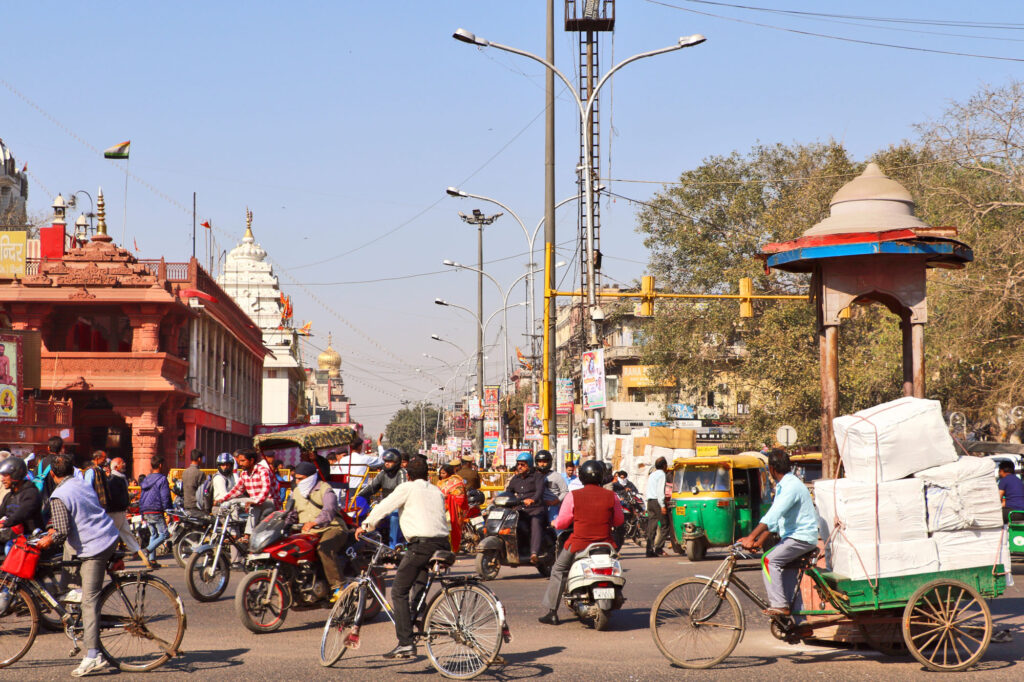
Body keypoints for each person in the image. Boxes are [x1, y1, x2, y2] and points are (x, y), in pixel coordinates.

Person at [34, 454, 121, 677]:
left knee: (89, 600)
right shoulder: (81, 482)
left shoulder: (58, 495)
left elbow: (62, 532)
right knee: (70, 578)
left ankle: (93, 655)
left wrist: (47, 540)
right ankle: (79, 618)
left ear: (52, 475)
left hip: (95, 546)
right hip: (107, 535)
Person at [355, 456, 450, 660]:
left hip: (421, 545)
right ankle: (417, 619)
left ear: (408, 475)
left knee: (398, 591)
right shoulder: (436, 490)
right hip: (442, 544)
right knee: (418, 582)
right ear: (428, 475)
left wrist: (365, 526)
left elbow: (384, 507)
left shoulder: (407, 488)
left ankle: (405, 643)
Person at [539, 459, 624, 625]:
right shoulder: (611, 496)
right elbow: (619, 520)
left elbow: (563, 523)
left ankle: (552, 612)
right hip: (605, 545)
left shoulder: (573, 496)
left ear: (582, 477)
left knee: (558, 569)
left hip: (579, 544)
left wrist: (555, 523)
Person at [739, 449, 819, 619]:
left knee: (769, 560)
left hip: (801, 538)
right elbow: (776, 521)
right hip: (794, 537)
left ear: (772, 468)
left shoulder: (791, 487)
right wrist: (759, 542)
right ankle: (800, 623)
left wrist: (751, 537)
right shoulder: (786, 486)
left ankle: (779, 605)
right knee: (788, 576)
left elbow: (773, 515)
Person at [291, 461, 349, 599]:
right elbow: (291, 513)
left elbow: (329, 509)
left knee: (324, 548)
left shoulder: (325, 489)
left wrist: (315, 522)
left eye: (300, 478)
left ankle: (339, 588)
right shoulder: (296, 492)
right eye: (296, 478)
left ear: (310, 477)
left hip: (332, 528)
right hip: (307, 532)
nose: (297, 481)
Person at [215, 448, 280, 530]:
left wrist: (255, 502)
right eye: (239, 461)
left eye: (243, 461)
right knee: (232, 502)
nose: (240, 463)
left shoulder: (262, 471)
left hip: (270, 502)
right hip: (255, 501)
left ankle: (247, 535)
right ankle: (234, 532)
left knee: (253, 506)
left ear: (251, 461)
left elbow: (265, 490)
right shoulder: (244, 473)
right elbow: (237, 489)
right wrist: (223, 499)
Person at [105, 457, 150, 568]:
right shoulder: (114, 480)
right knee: (113, 535)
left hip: (119, 512)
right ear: (116, 467)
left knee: (125, 534)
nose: (124, 464)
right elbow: (115, 497)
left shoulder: (118, 479)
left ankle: (140, 555)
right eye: (122, 463)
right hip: (115, 512)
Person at [358, 448, 408, 547]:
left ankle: (393, 546)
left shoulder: (402, 473)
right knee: (369, 513)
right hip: (384, 506)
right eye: (386, 461)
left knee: (394, 516)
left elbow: (402, 492)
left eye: (390, 461)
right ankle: (370, 543)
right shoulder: (383, 473)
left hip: (398, 507)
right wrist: (357, 496)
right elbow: (371, 487)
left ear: (397, 462)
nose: (387, 464)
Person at [504, 452, 547, 564]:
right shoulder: (515, 479)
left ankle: (534, 553)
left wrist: (532, 499)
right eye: (518, 464)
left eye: (523, 464)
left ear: (529, 465)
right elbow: (508, 492)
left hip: (535, 509)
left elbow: (539, 491)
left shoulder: (538, 476)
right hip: (520, 510)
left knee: (535, 523)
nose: (519, 467)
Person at [0, 456, 43, 549]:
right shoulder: (9, 496)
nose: (2, 479)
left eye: (6, 475)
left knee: (9, 547)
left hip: (29, 538)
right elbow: (1, 512)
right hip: (11, 535)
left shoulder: (31, 493)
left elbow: (22, 513)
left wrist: (4, 524)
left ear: (15, 475)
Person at [138, 455, 172, 567]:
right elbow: (165, 497)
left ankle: (152, 560)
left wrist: (142, 512)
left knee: (154, 534)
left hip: (146, 510)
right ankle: (146, 551)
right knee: (164, 534)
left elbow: (142, 497)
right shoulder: (162, 479)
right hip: (156, 510)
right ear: (161, 465)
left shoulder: (146, 479)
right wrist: (169, 511)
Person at [437, 462, 468, 552]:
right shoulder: (439, 482)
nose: (441, 475)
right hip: (442, 508)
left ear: (449, 472)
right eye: (441, 473)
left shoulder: (457, 480)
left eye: (443, 473)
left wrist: (448, 497)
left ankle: (453, 548)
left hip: (453, 509)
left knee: (452, 528)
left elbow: (460, 496)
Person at [645, 456, 669, 557]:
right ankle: (659, 548)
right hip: (657, 502)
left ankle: (649, 549)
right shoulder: (662, 474)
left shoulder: (652, 474)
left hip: (650, 501)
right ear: (664, 466)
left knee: (651, 526)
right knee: (665, 525)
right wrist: (663, 505)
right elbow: (660, 492)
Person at [536, 450, 568, 523]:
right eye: (540, 461)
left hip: (552, 506)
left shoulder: (556, 476)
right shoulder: (534, 476)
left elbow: (565, 491)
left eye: (545, 461)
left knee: (554, 524)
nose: (542, 464)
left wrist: (554, 502)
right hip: (537, 506)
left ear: (549, 462)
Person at [180, 449, 205, 514]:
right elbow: (203, 491)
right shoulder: (200, 473)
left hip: (186, 505)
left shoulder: (184, 472)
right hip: (196, 506)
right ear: (199, 459)